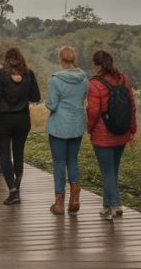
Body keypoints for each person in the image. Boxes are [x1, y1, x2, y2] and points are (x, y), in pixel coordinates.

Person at [87, 50, 137, 221]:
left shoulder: (94, 84)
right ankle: (106, 207)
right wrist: (132, 129)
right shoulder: (123, 79)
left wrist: (89, 128)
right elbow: (131, 105)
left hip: (103, 134)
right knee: (112, 171)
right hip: (122, 133)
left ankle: (115, 205)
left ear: (97, 65)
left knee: (107, 171)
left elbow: (93, 111)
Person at [0, 47, 40, 205]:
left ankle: (12, 190)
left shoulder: (1, 74)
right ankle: (17, 185)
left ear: (6, 59)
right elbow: (36, 97)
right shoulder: (29, 74)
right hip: (22, 119)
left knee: (4, 154)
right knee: (18, 152)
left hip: (3, 119)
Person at [45, 46, 88, 215]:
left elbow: (52, 104)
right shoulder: (84, 79)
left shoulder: (56, 80)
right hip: (76, 124)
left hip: (58, 127)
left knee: (58, 163)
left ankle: (59, 203)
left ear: (61, 59)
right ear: (74, 59)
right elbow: (83, 99)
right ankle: (75, 199)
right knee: (73, 161)